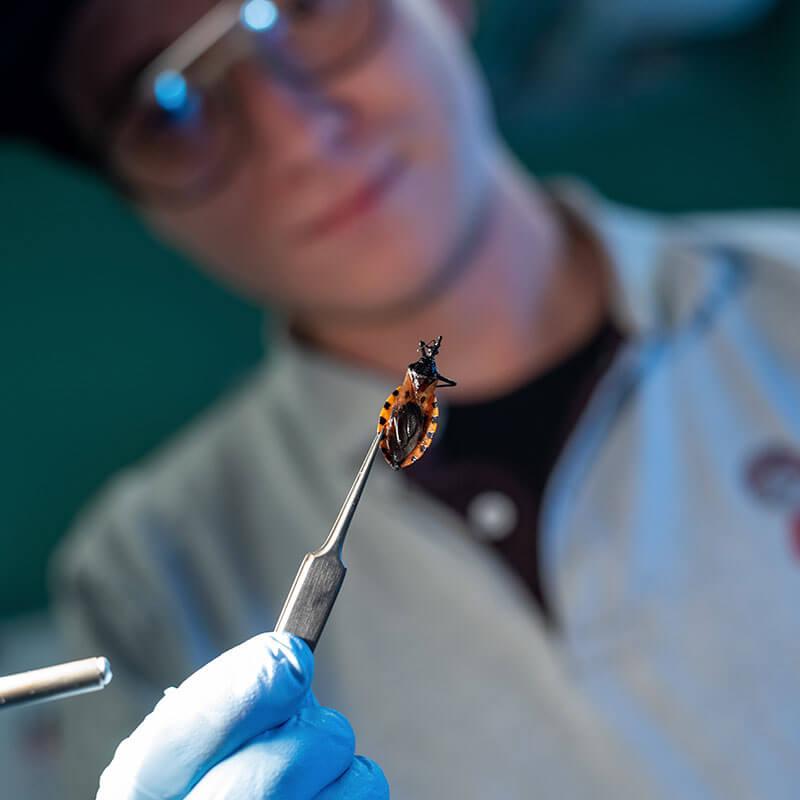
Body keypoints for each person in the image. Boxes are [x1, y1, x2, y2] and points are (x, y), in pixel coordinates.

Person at [3, 0, 800, 797]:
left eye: (305, 9)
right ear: (139, 204)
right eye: (165, 107)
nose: (295, 134)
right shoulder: (146, 578)